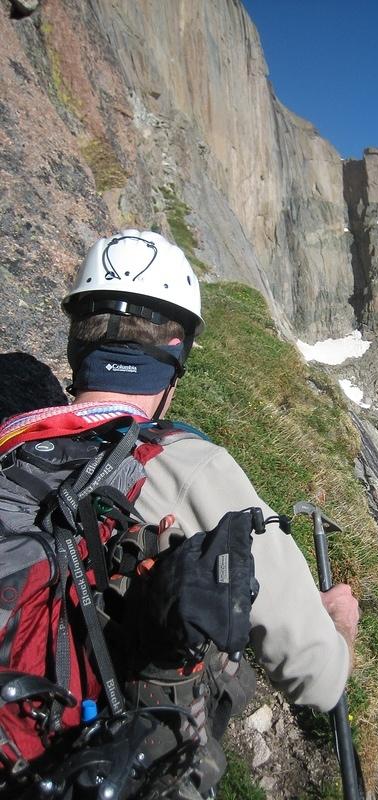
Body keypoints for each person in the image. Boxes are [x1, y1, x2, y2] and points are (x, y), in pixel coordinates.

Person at [58, 228, 359, 713]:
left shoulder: (16, 446)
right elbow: (318, 678)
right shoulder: (191, 468)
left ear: (79, 342)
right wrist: (340, 624)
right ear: (176, 353)